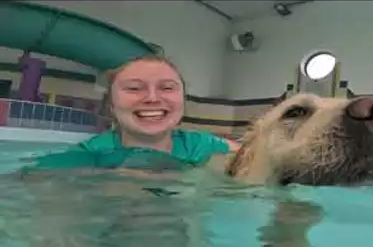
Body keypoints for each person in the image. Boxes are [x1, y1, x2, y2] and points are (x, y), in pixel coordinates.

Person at [27, 54, 240, 171]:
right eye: (134, 88)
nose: (153, 98)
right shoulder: (88, 156)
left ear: (182, 101)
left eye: (167, 88)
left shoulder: (201, 146)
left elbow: (256, 155)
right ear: (110, 105)